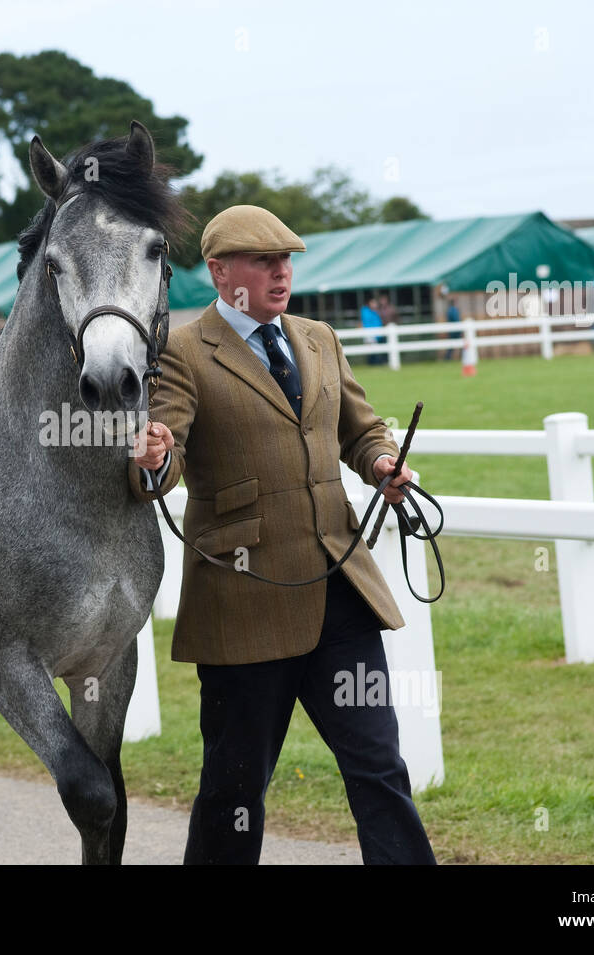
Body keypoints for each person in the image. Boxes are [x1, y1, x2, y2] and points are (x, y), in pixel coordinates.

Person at [129, 205, 436, 865]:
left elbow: (360, 428)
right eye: (263, 260)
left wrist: (382, 460)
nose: (281, 272)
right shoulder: (183, 352)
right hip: (244, 602)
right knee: (234, 790)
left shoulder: (319, 337)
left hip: (341, 591)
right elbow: (168, 455)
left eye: (287, 259)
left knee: (379, 765)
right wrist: (155, 457)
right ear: (219, 270)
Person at [361, 295, 385, 365]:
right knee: (371, 351)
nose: (375, 304)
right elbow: (367, 322)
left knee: (377, 350)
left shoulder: (376, 311)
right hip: (370, 334)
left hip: (378, 334)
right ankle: (372, 363)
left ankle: (376, 363)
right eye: (373, 303)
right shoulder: (366, 311)